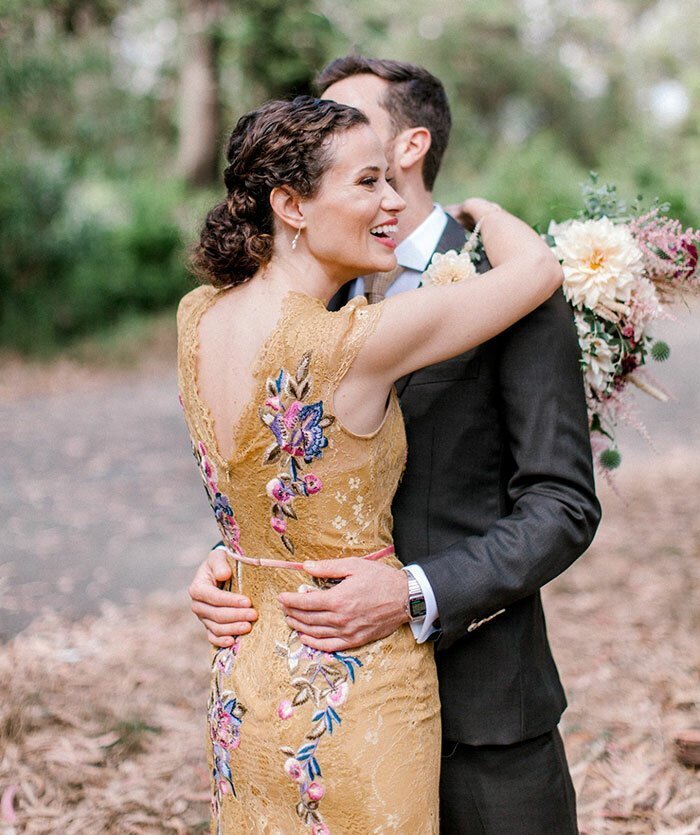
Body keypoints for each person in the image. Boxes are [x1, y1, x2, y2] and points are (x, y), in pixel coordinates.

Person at [188, 58, 602, 833]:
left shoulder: (512, 291)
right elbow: (269, 464)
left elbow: (563, 504)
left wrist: (417, 589)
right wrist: (235, 559)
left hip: (484, 711)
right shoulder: (299, 293)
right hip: (309, 705)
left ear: (408, 146)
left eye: (346, 121)